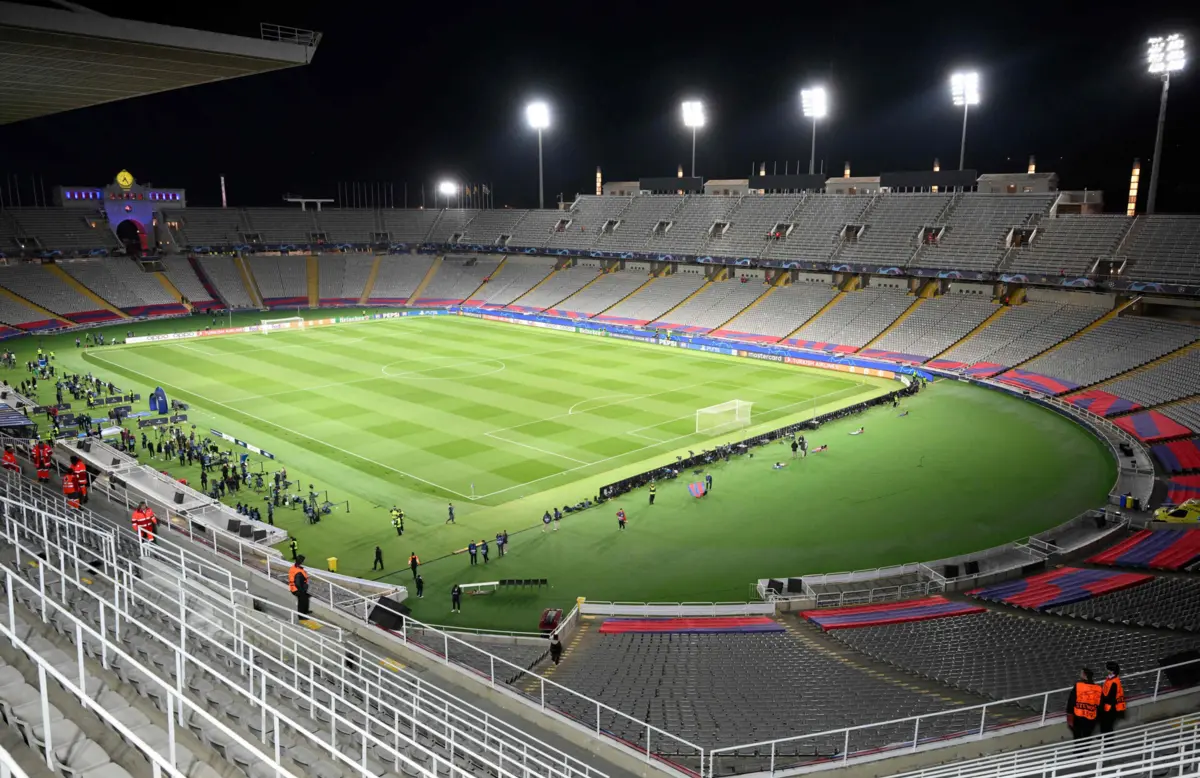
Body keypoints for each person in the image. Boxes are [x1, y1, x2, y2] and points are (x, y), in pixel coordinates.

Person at [1066, 667, 1102, 740]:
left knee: (1078, 738)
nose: (1080, 675)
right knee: (1087, 737)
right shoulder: (1098, 688)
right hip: (1091, 718)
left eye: (1081, 673)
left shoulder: (1078, 685)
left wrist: (1069, 713)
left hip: (1078, 717)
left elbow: (1071, 701)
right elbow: (1100, 705)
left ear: (1084, 675)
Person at [1099, 662, 1125, 734]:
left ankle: (1107, 739)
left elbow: (1110, 697)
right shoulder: (1110, 679)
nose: (1105, 669)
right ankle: (1103, 737)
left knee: (1108, 726)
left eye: (1107, 668)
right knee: (1104, 725)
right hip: (1107, 706)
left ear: (1111, 670)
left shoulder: (1114, 682)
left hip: (1110, 708)